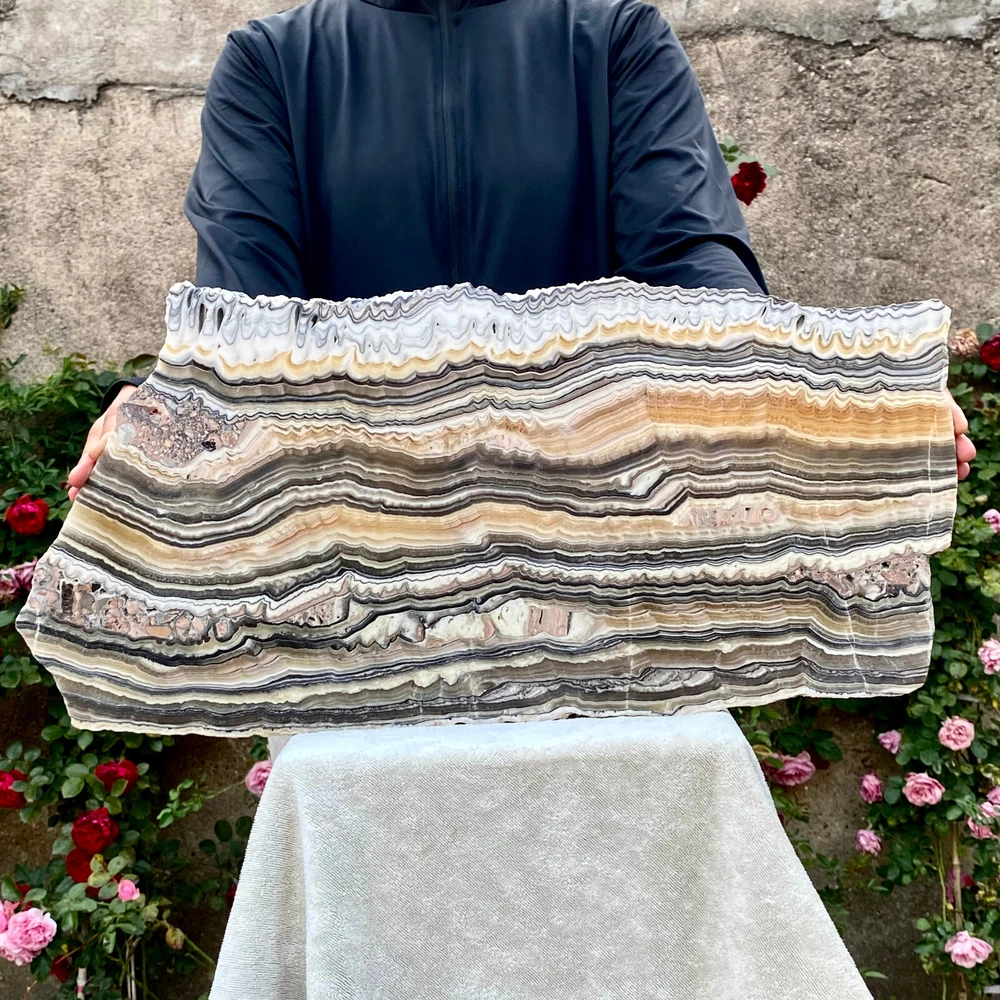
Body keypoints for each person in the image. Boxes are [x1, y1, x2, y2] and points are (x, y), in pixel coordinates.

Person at [66, 0, 975, 499]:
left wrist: (844, 393)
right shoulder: (271, 63)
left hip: (608, 551)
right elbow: (243, 326)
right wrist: (170, 411)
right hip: (356, 566)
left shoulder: (615, 39)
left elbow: (700, 282)